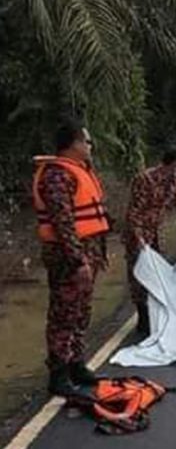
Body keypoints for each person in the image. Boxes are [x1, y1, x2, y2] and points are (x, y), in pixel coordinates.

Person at [32, 118, 111, 395]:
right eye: (87, 141)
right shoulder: (57, 175)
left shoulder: (80, 171)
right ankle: (59, 373)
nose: (90, 146)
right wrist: (78, 261)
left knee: (81, 311)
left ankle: (77, 362)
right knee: (64, 314)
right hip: (69, 256)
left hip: (87, 251)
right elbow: (62, 222)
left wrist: (96, 255)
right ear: (74, 144)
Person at [123, 145, 176, 335]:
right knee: (138, 275)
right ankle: (142, 316)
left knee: (157, 275)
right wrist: (138, 238)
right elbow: (133, 212)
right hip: (139, 235)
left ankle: (155, 315)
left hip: (156, 234)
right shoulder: (145, 179)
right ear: (174, 163)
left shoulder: (175, 183)